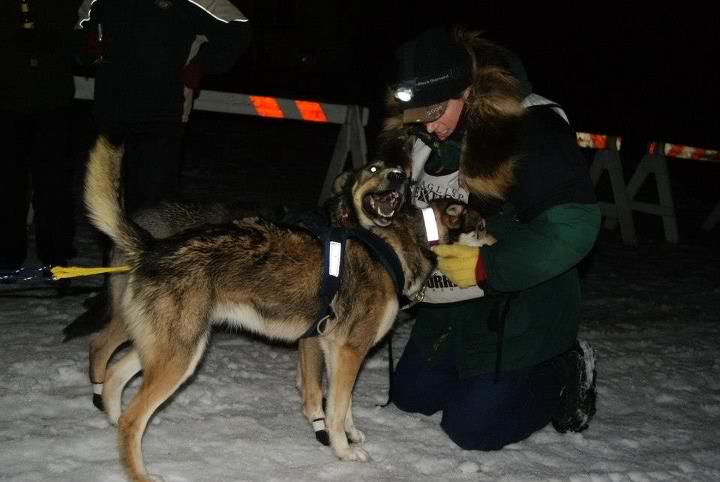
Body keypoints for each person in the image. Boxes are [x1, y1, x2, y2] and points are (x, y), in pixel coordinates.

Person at [377, 26, 602, 450]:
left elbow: (574, 228)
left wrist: (488, 267)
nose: (428, 126)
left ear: (467, 90)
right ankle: (475, 379)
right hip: (448, 311)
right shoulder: (423, 130)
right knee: (411, 399)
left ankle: (564, 369)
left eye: (436, 110)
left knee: (472, 428)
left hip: (519, 308)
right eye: (417, 114)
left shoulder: (529, 128)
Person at [76, 0, 251, 214]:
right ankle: (110, 249)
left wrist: (202, 64)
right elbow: (81, 27)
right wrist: (84, 47)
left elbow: (238, 26)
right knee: (108, 209)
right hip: (110, 114)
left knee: (152, 215)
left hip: (162, 118)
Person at [0, 0, 80, 277]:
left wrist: (53, 41)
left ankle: (56, 255)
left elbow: (76, 34)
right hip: (8, 104)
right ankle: (8, 254)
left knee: (53, 185)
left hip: (52, 103)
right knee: (9, 185)